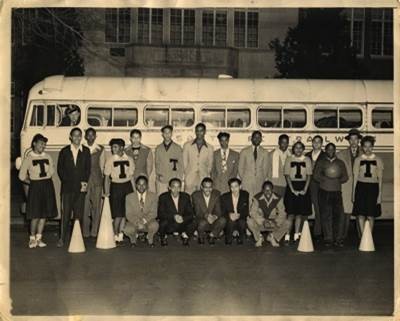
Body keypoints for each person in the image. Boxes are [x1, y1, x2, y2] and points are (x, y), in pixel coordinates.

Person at [18, 134, 57, 248]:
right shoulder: (29, 158)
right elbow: (21, 176)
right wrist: (32, 182)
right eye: (41, 143)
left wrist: (45, 179)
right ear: (34, 143)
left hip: (47, 185)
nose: (43, 146)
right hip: (36, 187)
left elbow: (51, 170)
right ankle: (32, 238)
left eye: (44, 144)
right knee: (35, 214)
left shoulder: (48, 157)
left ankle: (39, 238)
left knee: (44, 214)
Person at [57, 128, 91, 248]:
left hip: (80, 188)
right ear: (70, 137)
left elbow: (88, 169)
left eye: (79, 136)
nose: (77, 138)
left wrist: (84, 183)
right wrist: (68, 181)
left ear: (81, 137)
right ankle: (62, 238)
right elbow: (60, 169)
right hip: (67, 189)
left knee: (79, 214)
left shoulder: (86, 151)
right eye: (75, 136)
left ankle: (78, 238)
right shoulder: (65, 151)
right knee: (65, 214)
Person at [313, 143, 348, 247]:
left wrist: (336, 178)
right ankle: (328, 238)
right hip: (324, 191)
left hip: (336, 192)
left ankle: (338, 239)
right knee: (325, 216)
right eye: (328, 149)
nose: (330, 151)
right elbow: (315, 176)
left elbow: (345, 177)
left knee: (339, 215)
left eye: (333, 149)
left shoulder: (340, 163)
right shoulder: (321, 162)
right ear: (326, 150)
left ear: (335, 150)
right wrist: (326, 178)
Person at [104, 138, 135, 244]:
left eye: (115, 147)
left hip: (127, 186)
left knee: (125, 213)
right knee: (117, 213)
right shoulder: (110, 159)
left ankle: (121, 233)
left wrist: (134, 190)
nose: (113, 149)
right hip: (116, 186)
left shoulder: (129, 159)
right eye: (112, 147)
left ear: (122, 147)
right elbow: (107, 177)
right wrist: (106, 191)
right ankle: (115, 233)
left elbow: (131, 176)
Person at [352, 136, 384, 235]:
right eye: (365, 146)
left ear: (373, 147)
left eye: (370, 146)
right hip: (361, 187)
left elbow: (380, 179)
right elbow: (355, 178)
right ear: (362, 147)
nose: (367, 149)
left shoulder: (378, 160)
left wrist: (379, 195)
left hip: (373, 188)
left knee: (371, 215)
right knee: (360, 214)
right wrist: (353, 194)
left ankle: (369, 236)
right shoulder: (358, 160)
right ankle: (362, 237)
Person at [283, 141, 312, 244]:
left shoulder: (307, 159)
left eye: (300, 148)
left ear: (303, 149)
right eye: (296, 148)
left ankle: (296, 235)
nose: (298, 150)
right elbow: (287, 175)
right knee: (290, 214)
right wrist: (292, 189)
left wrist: (305, 189)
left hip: (303, 185)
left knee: (299, 213)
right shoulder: (289, 159)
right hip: (292, 186)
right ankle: (287, 235)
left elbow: (309, 175)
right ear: (293, 149)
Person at [247, 181, 290, 248]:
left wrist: (276, 222)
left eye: (269, 190)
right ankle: (259, 238)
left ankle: (272, 237)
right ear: (262, 190)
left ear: (272, 190)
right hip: (261, 224)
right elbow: (253, 212)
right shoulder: (256, 198)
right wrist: (263, 221)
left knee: (288, 223)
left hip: (274, 224)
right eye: (265, 190)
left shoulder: (279, 198)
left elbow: (283, 213)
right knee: (249, 221)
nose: (267, 192)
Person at [337, 128, 363, 240]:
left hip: (361, 185)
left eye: (355, 139)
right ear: (349, 141)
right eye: (351, 139)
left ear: (358, 140)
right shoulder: (341, 154)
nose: (353, 142)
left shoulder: (365, 153)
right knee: (345, 212)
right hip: (346, 186)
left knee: (361, 211)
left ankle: (362, 236)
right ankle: (342, 236)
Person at [157, 178, 196, 246]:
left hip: (182, 222)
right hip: (170, 222)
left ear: (181, 188)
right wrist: (174, 216)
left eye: (178, 187)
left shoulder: (186, 196)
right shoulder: (163, 197)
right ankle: (163, 237)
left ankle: (185, 236)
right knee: (162, 223)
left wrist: (183, 218)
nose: (176, 190)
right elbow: (160, 214)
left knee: (194, 222)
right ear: (169, 187)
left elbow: (191, 213)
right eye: (173, 187)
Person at [82, 128, 105, 238]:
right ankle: (85, 232)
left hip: (97, 181)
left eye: (92, 135)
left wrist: (103, 183)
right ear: (85, 136)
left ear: (96, 136)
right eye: (88, 135)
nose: (90, 137)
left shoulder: (100, 149)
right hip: (85, 181)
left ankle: (95, 231)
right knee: (85, 207)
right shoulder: (82, 148)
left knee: (96, 206)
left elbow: (103, 166)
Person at [124, 175, 159, 247]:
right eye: (139, 184)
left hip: (148, 221)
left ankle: (149, 238)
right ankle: (133, 239)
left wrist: (143, 221)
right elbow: (129, 214)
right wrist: (137, 222)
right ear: (136, 185)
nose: (141, 186)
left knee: (155, 225)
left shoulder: (153, 196)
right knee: (127, 229)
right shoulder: (129, 197)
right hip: (134, 222)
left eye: (144, 184)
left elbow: (154, 213)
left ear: (147, 186)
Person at [191, 177, 226, 245]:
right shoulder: (195, 195)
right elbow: (197, 212)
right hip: (202, 219)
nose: (208, 189)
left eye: (210, 187)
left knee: (223, 220)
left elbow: (218, 211)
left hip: (213, 220)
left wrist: (214, 217)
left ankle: (212, 235)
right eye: (205, 187)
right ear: (201, 187)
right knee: (202, 223)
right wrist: (207, 216)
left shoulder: (217, 194)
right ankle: (200, 236)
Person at [183, 123, 214, 194]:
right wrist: (188, 173)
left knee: (201, 201)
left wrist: (204, 173)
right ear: (195, 132)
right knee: (188, 199)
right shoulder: (187, 145)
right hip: (190, 178)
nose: (199, 133)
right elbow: (184, 163)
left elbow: (210, 165)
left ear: (205, 132)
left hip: (203, 178)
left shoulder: (210, 148)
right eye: (197, 131)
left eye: (201, 131)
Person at [305, 135, 325, 240]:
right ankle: (303, 231)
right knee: (305, 207)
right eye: (315, 141)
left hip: (319, 185)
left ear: (322, 144)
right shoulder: (307, 155)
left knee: (318, 208)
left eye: (319, 142)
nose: (316, 143)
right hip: (307, 184)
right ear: (312, 143)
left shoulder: (325, 156)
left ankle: (318, 232)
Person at [238, 131, 270, 198]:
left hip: (260, 181)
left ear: (261, 139)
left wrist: (261, 179)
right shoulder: (244, 151)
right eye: (255, 137)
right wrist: (244, 178)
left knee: (258, 199)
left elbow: (266, 169)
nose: (257, 139)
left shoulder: (265, 152)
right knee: (247, 199)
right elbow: (240, 168)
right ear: (251, 138)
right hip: (247, 181)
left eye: (259, 137)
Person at [154, 125, 184, 195]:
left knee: (174, 199)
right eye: (165, 133)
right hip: (162, 179)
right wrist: (158, 176)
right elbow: (156, 164)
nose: (167, 135)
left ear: (172, 134)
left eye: (169, 133)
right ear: (162, 134)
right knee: (162, 199)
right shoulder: (158, 148)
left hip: (174, 178)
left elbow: (181, 165)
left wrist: (179, 178)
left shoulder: (178, 148)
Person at [220, 178, 249, 245]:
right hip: (230, 218)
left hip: (240, 217)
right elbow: (223, 212)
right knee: (230, 221)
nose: (234, 189)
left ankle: (240, 237)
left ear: (240, 186)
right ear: (229, 188)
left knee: (242, 222)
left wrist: (239, 215)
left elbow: (246, 211)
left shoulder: (245, 195)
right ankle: (228, 237)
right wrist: (230, 215)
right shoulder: (224, 197)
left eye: (236, 186)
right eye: (232, 187)